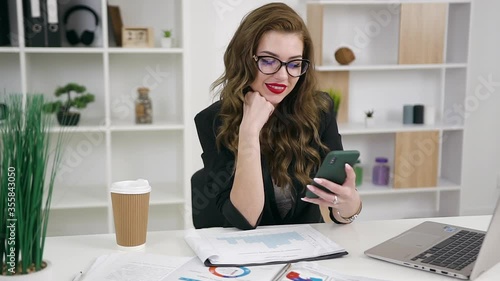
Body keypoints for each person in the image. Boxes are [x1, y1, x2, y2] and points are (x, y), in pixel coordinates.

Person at [195, 2, 362, 230]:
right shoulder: (213, 120)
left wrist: (350, 203)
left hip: (306, 251)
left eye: (294, 64)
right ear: (245, 59)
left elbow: (339, 211)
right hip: (246, 253)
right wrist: (249, 132)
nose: (283, 76)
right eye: (268, 60)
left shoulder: (319, 110)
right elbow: (245, 218)